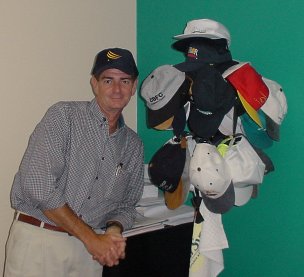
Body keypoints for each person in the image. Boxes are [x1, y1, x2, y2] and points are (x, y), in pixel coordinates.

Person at [4, 48, 144, 277]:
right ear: (94, 84)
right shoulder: (63, 116)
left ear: (133, 86)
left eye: (125, 81)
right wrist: (91, 239)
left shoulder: (133, 145)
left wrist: (113, 231)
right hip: (40, 243)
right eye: (108, 80)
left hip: (89, 253)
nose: (117, 89)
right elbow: (39, 187)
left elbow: (128, 204)